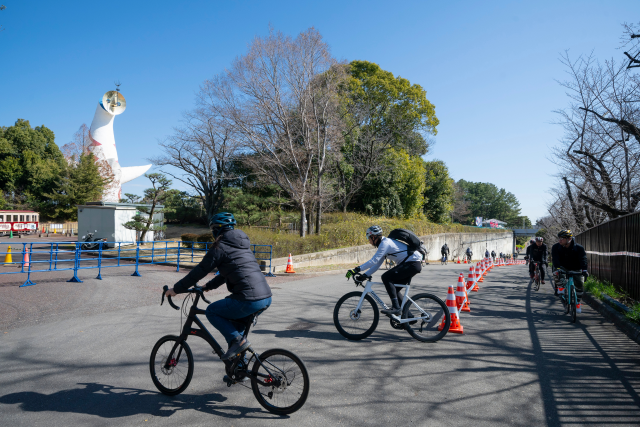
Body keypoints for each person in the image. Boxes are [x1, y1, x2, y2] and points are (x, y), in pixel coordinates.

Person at [164, 212, 272, 360]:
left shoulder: (220, 247)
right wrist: (208, 286)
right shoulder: (241, 245)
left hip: (248, 300)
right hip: (265, 298)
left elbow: (200, 270)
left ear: (216, 230)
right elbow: (227, 273)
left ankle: (238, 342)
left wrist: (176, 290)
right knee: (234, 333)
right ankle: (239, 370)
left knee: (212, 312)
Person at [346, 226, 423, 316]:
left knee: (386, 277)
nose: (368, 240)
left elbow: (373, 261)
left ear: (373, 237)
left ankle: (396, 308)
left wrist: (356, 269)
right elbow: (377, 264)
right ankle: (408, 317)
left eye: (368, 238)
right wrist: (364, 275)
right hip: (411, 264)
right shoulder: (384, 244)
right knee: (395, 290)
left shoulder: (385, 243)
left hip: (412, 264)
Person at [552, 229, 588, 313]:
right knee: (556, 272)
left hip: (576, 268)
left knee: (579, 285)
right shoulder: (556, 247)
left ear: (569, 239)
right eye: (559, 238)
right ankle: (561, 287)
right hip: (563, 267)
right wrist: (558, 268)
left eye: (562, 238)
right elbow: (555, 259)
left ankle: (578, 303)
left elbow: (583, 259)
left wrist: (584, 270)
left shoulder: (578, 248)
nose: (560, 240)